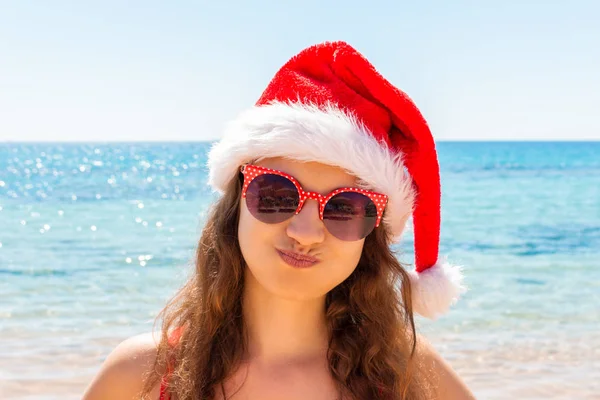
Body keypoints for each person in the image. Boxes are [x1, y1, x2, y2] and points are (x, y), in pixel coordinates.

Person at [83, 41, 474, 400]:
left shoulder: (410, 374)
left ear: (370, 236)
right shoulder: (140, 377)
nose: (304, 232)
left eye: (345, 208)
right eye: (276, 195)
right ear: (236, 204)